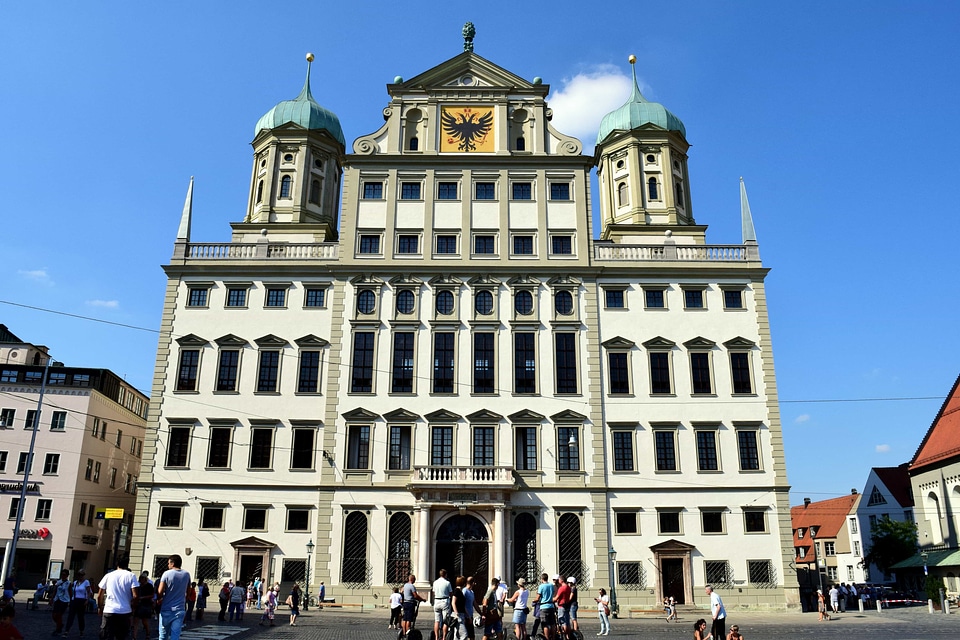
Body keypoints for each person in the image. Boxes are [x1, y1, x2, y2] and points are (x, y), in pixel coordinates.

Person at [96, 554, 139, 640]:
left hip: (109, 609)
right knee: (121, 636)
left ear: (117, 563)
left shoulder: (108, 575)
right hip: (125, 610)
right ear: (127, 563)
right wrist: (133, 608)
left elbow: (100, 595)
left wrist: (100, 608)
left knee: (106, 636)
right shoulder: (131, 576)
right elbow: (135, 595)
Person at [156, 554, 191, 640]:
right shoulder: (186, 574)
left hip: (166, 608)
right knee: (175, 635)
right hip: (180, 609)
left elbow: (159, 591)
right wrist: (185, 599)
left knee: (163, 636)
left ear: (172, 563)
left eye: (168, 563)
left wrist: (159, 598)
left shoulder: (167, 574)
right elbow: (188, 590)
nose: (168, 565)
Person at [63, 568, 93, 637]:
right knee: (71, 616)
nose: (80, 576)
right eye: (79, 575)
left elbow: (89, 592)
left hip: (82, 600)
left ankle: (81, 630)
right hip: (75, 600)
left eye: (82, 575)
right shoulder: (75, 582)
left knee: (80, 617)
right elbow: (71, 589)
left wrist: (87, 600)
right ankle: (66, 631)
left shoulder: (86, 582)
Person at [131, 573, 154, 640]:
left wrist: (143, 598)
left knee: (144, 621)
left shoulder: (149, 586)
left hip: (146, 604)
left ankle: (148, 632)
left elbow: (152, 595)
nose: (141, 580)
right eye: (140, 578)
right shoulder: (138, 586)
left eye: (142, 578)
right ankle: (134, 636)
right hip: (139, 604)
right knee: (136, 621)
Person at [433, 569, 453, 640]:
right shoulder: (447, 583)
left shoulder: (435, 582)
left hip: (436, 601)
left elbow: (434, 592)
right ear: (445, 574)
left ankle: (436, 637)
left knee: (437, 620)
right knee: (446, 620)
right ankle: (444, 637)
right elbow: (451, 593)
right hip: (444, 601)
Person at [52, 569, 71, 636]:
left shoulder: (69, 583)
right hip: (57, 599)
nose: (63, 576)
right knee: (54, 615)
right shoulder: (58, 582)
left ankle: (58, 629)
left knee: (59, 615)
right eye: (62, 574)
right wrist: (52, 598)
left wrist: (70, 601)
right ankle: (60, 624)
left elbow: (70, 593)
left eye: (64, 575)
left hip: (64, 600)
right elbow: (55, 590)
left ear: (67, 575)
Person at [537, 574, 556, 640]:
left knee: (545, 624)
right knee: (552, 623)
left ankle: (547, 638)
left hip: (544, 606)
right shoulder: (551, 585)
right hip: (551, 605)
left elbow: (538, 597)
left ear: (542, 579)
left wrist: (534, 601)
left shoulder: (541, 586)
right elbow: (553, 593)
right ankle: (553, 637)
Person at [553, 575, 571, 639]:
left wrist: (550, 599)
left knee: (562, 621)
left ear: (562, 580)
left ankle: (563, 634)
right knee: (567, 621)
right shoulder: (568, 587)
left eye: (559, 580)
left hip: (561, 605)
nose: (558, 581)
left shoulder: (562, 588)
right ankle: (567, 636)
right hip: (567, 605)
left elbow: (556, 598)